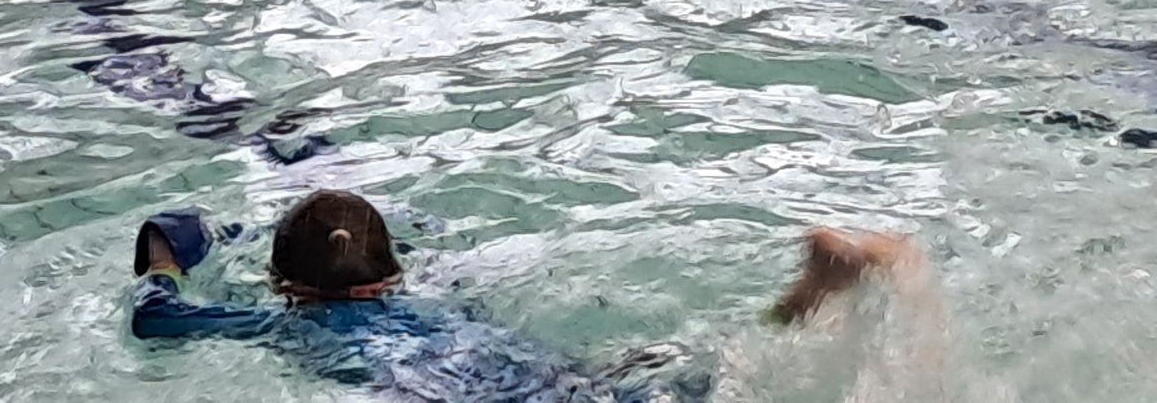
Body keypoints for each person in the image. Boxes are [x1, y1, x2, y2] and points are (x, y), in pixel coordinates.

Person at [129, 189, 920, 401]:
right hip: (569, 380)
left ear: (282, 284)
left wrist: (175, 249)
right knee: (725, 370)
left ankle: (808, 299)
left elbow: (157, 316)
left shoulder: (286, 327)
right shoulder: (433, 294)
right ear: (392, 272)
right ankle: (809, 296)